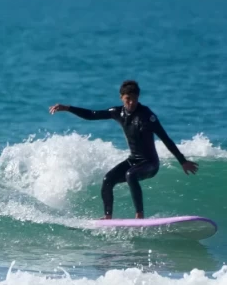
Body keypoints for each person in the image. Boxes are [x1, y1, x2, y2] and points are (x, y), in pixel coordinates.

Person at [49, 80, 199, 219]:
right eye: (128, 99)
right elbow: (92, 115)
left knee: (130, 175)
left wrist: (182, 161)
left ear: (138, 97)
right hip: (133, 160)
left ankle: (139, 215)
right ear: (121, 97)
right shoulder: (117, 112)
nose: (131, 103)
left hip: (150, 163)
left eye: (134, 99)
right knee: (108, 180)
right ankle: (108, 216)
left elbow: (165, 138)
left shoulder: (147, 116)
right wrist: (67, 108)